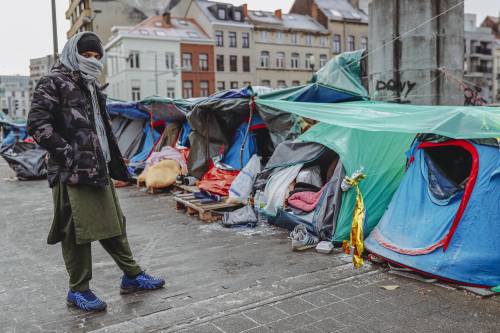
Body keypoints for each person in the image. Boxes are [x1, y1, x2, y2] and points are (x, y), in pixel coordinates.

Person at [27, 32, 165, 312]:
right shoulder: (53, 82)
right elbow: (38, 125)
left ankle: (132, 275)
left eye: (95, 57)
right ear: (72, 53)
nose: (91, 61)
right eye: (86, 55)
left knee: (113, 223)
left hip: (97, 168)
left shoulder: (90, 86)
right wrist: (69, 155)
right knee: (76, 230)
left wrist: (111, 160)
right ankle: (78, 290)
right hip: (71, 173)